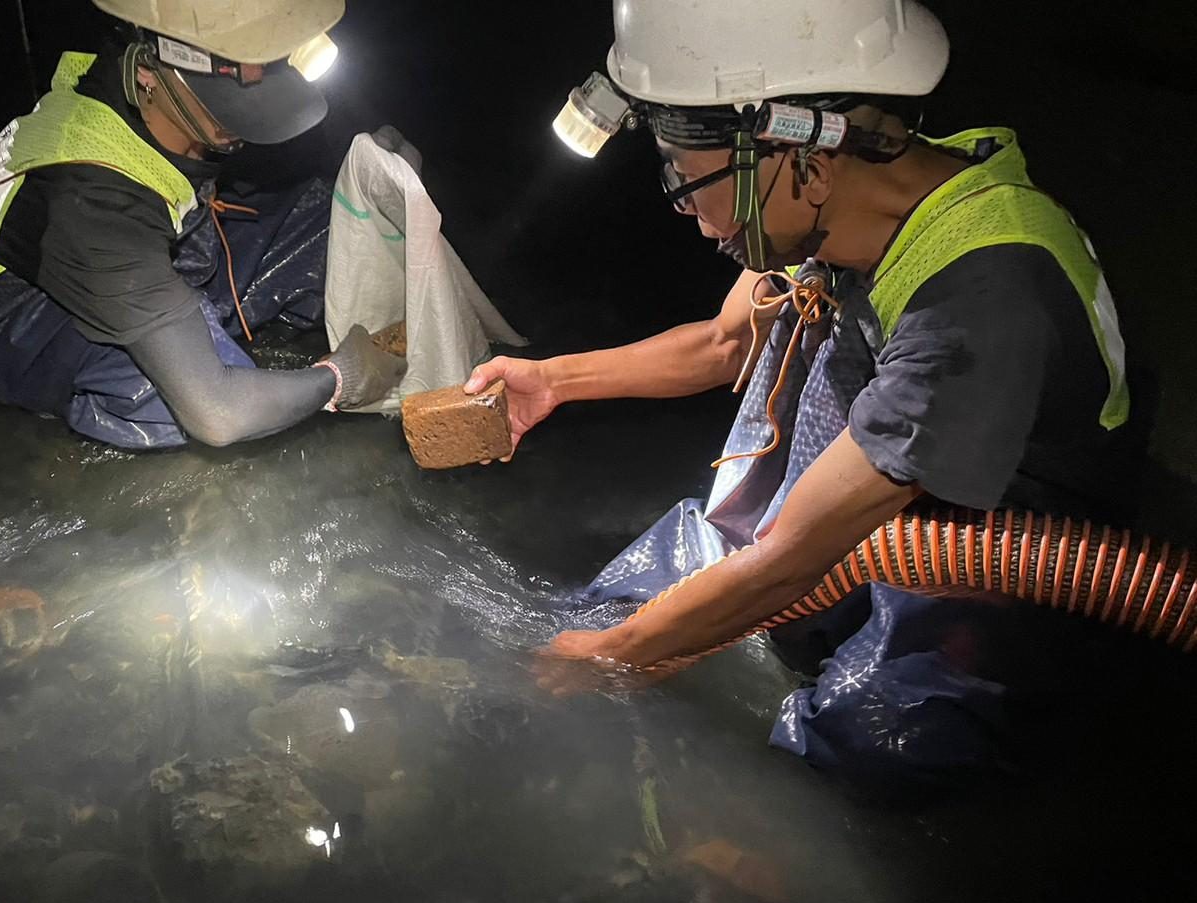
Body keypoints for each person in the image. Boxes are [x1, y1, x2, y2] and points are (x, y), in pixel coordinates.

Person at [472, 0, 1146, 792]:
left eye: (688, 180)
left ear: (804, 163)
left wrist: (613, 660)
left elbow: (792, 557)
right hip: (847, 502)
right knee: (608, 613)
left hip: (987, 566)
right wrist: (550, 380)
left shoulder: (984, 300)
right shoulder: (865, 189)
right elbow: (725, 341)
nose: (686, 210)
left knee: (861, 753)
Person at [0, 0, 407, 450]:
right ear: (149, 71)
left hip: (156, 249)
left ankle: (191, 322)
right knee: (199, 400)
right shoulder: (91, 203)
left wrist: (370, 177)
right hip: (38, 324)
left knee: (333, 215)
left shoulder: (150, 85)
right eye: (229, 107)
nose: (245, 126)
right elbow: (220, 414)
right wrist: (338, 379)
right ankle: (128, 377)